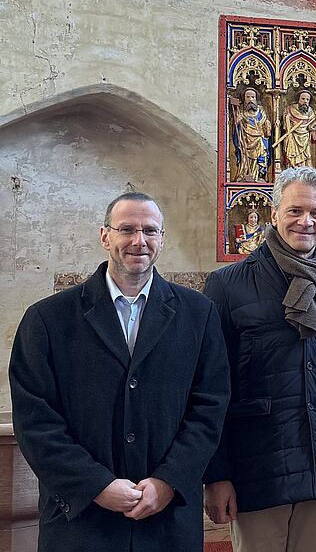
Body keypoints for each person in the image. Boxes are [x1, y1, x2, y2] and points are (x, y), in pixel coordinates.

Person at [9, 192, 229, 550]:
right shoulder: (48, 319)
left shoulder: (198, 314)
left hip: (166, 521)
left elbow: (210, 408)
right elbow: (35, 420)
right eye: (126, 229)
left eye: (149, 230)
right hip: (80, 521)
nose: (138, 241)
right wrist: (95, 485)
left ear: (162, 238)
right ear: (105, 236)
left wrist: (168, 481)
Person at [203, 166, 316, 552]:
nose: (305, 221)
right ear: (274, 214)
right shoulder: (228, 285)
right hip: (257, 462)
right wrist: (217, 474)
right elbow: (211, 387)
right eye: (295, 210)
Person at [231, 88, 272, 182]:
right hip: (246, 139)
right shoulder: (241, 111)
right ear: (244, 99)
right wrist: (237, 121)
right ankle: (244, 175)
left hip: (259, 138)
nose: (250, 99)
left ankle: (258, 176)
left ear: (256, 99)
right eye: (248, 97)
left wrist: (267, 124)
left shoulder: (261, 111)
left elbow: (265, 122)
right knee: (245, 157)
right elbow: (235, 128)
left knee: (261, 156)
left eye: (253, 97)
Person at [280, 90, 316, 169]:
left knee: (306, 154)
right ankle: (292, 168)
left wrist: (313, 129)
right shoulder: (290, 109)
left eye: (307, 100)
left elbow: (314, 126)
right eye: (303, 99)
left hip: (305, 136)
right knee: (291, 152)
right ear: (298, 99)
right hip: (293, 135)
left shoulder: (312, 112)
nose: (305, 101)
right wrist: (287, 120)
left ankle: (304, 168)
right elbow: (285, 125)